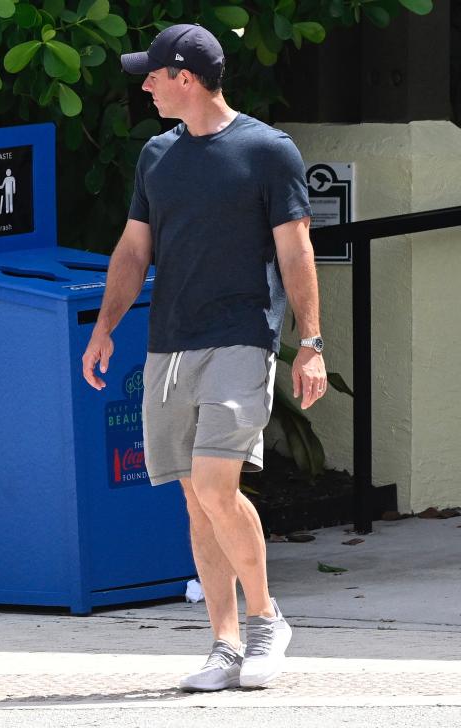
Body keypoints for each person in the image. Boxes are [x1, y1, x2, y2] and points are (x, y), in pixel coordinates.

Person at [82, 24, 328, 691]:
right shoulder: (156, 157)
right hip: (168, 346)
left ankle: (266, 620)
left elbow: (295, 250)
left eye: (154, 74)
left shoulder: (266, 151)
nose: (146, 85)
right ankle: (222, 644)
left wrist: (310, 343)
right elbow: (134, 251)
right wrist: (105, 328)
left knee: (219, 485)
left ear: (185, 77)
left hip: (241, 336)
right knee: (196, 501)